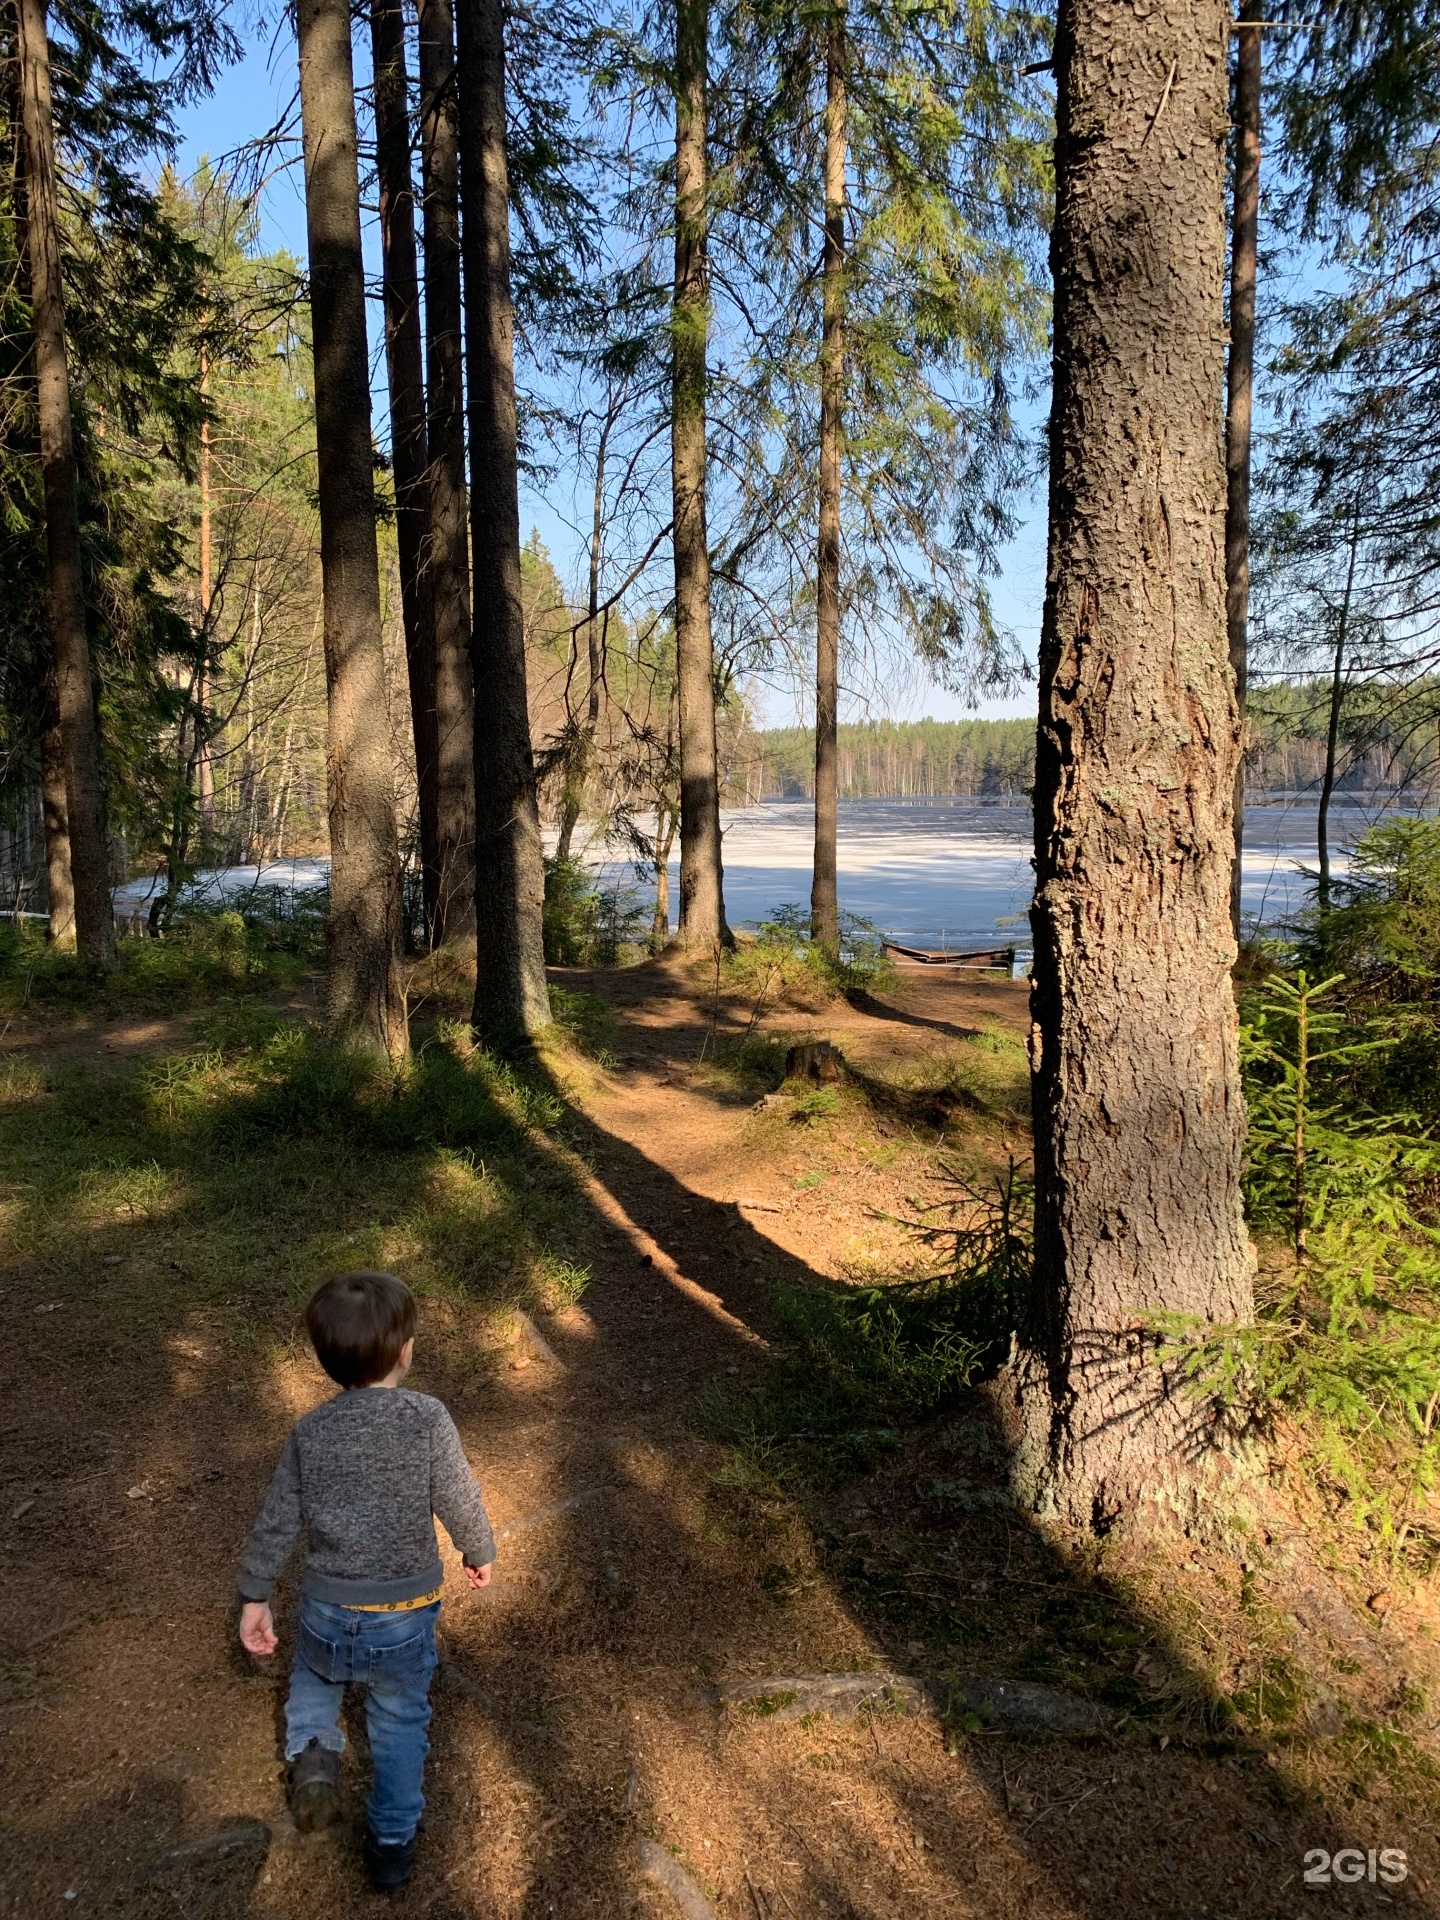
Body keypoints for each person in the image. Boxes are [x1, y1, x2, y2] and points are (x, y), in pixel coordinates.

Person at [237, 1270, 495, 1893]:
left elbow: (277, 1519)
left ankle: (315, 1754)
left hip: (329, 1605)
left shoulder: (311, 1432)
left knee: (315, 1676)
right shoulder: (427, 1419)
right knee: (401, 1720)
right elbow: (457, 1495)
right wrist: (477, 1547)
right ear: (406, 1349)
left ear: (327, 1360)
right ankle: (391, 1843)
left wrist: (255, 1594)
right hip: (405, 1613)